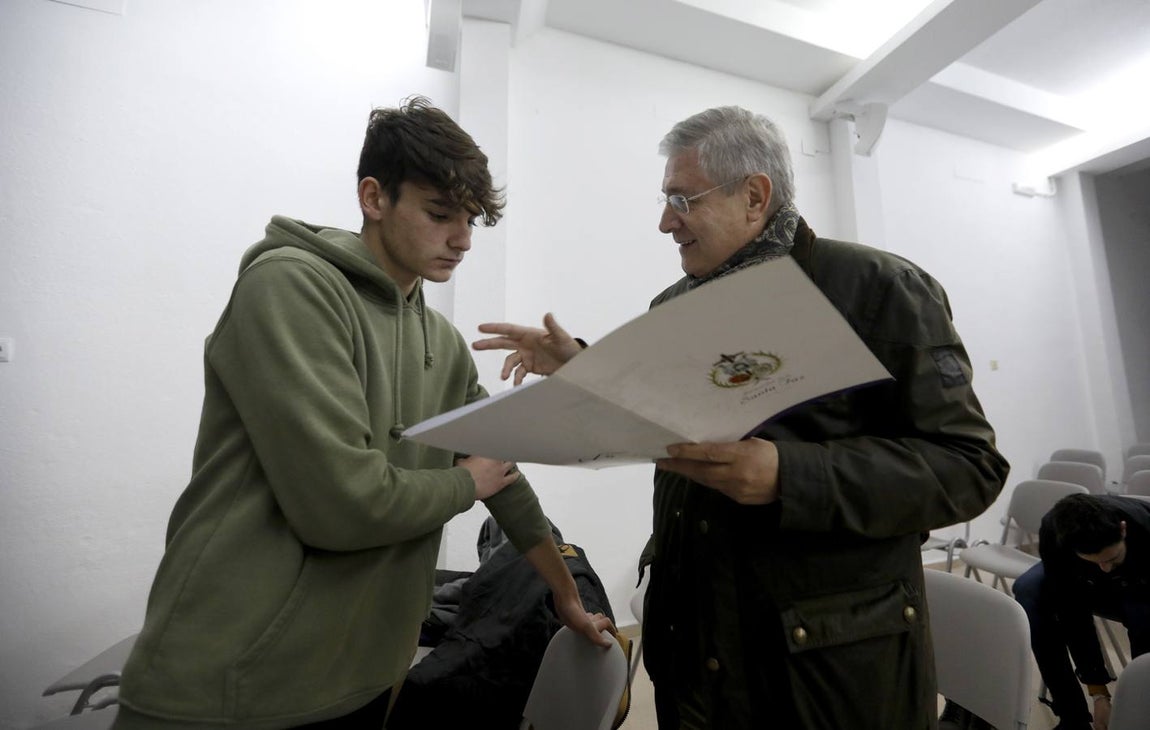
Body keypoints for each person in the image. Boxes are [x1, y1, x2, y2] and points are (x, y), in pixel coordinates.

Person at [472, 105, 1009, 729]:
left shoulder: (878, 289)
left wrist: (789, 474)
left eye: (681, 198)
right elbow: (667, 417)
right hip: (695, 651)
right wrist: (587, 370)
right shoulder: (673, 305)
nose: (665, 222)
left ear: (754, 196)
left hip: (824, 674)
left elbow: (969, 466)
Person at [114, 97, 612, 730]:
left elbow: (503, 473)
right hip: (237, 683)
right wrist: (465, 482)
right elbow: (340, 504)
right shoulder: (291, 286)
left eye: (469, 221)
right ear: (374, 198)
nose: (460, 240)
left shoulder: (443, 340)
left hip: (366, 674)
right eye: (439, 214)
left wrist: (564, 596)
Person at [1012, 493, 1150, 730]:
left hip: (1141, 580)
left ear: (1123, 530)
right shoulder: (1054, 529)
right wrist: (1098, 692)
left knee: (1143, 617)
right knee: (1029, 590)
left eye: (1112, 558)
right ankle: (1072, 717)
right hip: (1084, 580)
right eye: (1096, 561)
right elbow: (1072, 612)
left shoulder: (1145, 526)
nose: (1105, 569)